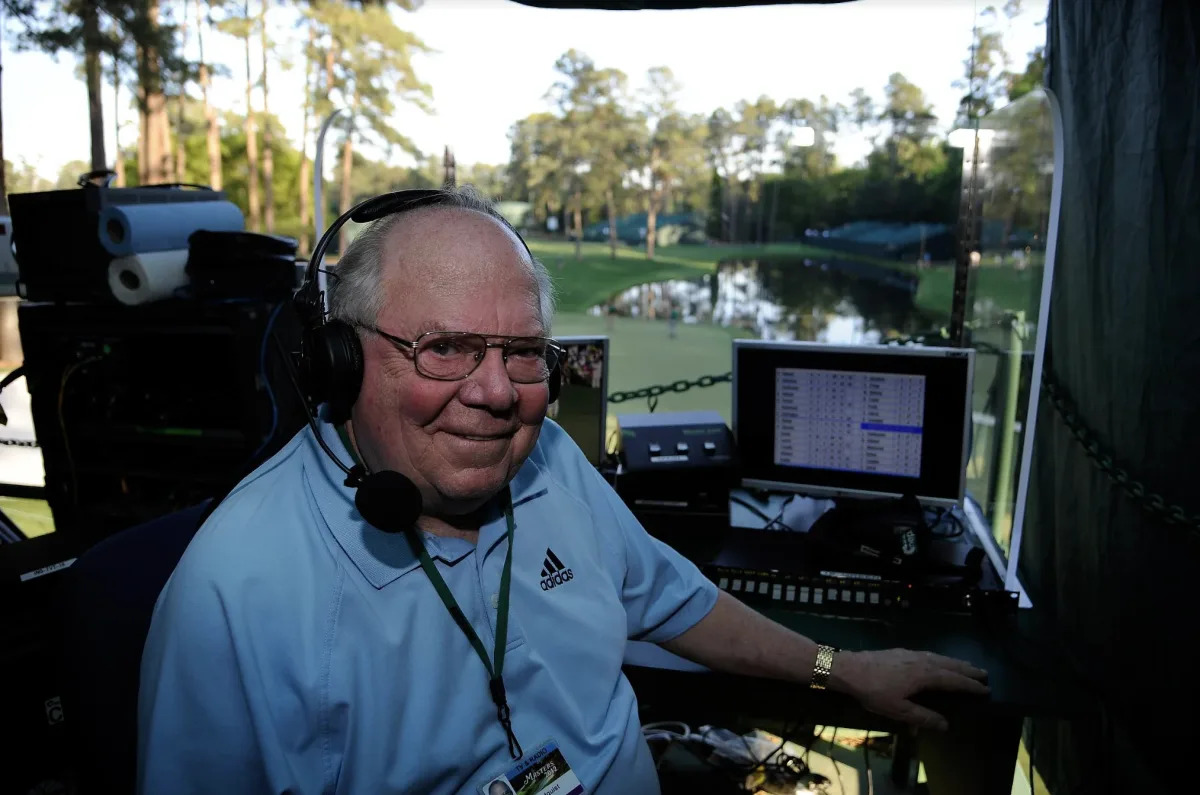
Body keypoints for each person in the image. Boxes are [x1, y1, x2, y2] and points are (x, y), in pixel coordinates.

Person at [137, 186, 989, 795]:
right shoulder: (235, 587)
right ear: (340, 360)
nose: (498, 391)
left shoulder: (546, 460)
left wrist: (845, 668)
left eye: (522, 352)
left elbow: (673, 598)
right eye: (445, 348)